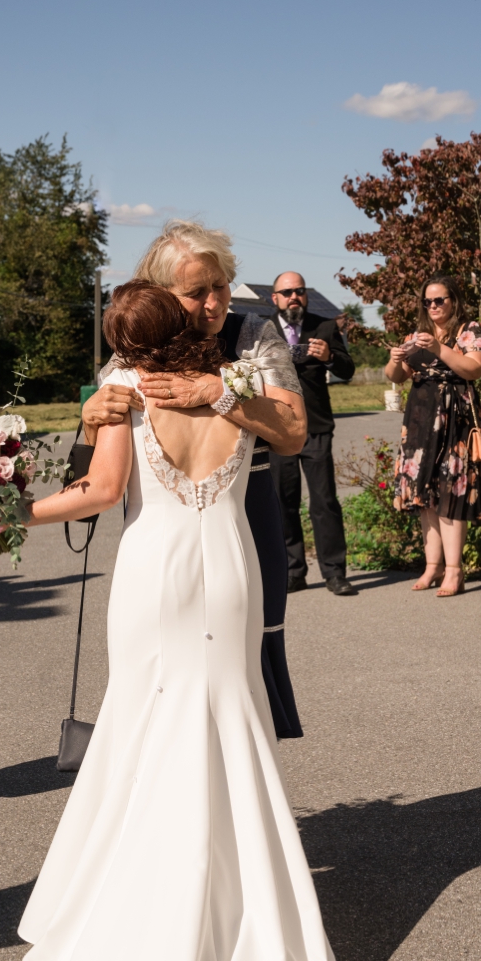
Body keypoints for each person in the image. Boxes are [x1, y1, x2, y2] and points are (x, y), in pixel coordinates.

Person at [17, 281, 369, 961]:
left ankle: (158, 931)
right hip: (232, 576)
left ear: (128, 345)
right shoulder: (236, 388)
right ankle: (247, 932)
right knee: (230, 733)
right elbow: (294, 434)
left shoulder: (129, 391)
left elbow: (100, 494)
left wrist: (8, 512)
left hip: (155, 579)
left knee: (148, 734)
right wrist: (221, 393)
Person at [81, 220, 308, 740]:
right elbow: (106, 467)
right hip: (167, 541)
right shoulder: (133, 346)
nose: (214, 302)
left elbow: (294, 433)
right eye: (195, 292)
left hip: (245, 519)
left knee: (242, 675)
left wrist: (218, 392)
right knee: (171, 677)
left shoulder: (253, 335)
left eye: (220, 285)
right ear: (161, 295)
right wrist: (91, 420)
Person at [386, 274, 481, 596]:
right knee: (423, 495)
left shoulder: (469, 330)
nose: (433, 306)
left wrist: (439, 347)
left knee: (450, 493)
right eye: (427, 301)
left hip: (455, 421)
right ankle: (432, 567)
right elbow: (397, 376)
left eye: (439, 299)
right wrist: (395, 360)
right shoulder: (419, 334)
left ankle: (454, 571)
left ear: (453, 299)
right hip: (420, 422)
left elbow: (474, 369)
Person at [268, 272, 357, 595]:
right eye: (287, 292)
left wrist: (330, 357)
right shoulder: (262, 330)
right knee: (282, 502)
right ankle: (293, 571)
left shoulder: (325, 327)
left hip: (316, 427)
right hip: (276, 428)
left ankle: (335, 573)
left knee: (324, 501)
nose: (294, 297)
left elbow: (348, 370)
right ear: (275, 298)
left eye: (300, 291)